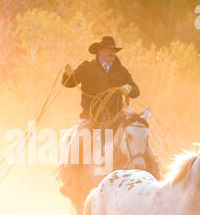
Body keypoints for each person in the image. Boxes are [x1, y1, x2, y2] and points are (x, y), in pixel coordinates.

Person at [57, 35, 143, 200]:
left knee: (137, 137)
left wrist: (128, 89)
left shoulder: (122, 71)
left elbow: (136, 90)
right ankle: (71, 182)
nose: (111, 53)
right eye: (107, 49)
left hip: (115, 119)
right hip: (90, 118)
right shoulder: (87, 67)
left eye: (113, 50)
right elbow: (69, 83)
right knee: (77, 141)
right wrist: (67, 75)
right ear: (99, 51)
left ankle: (148, 174)